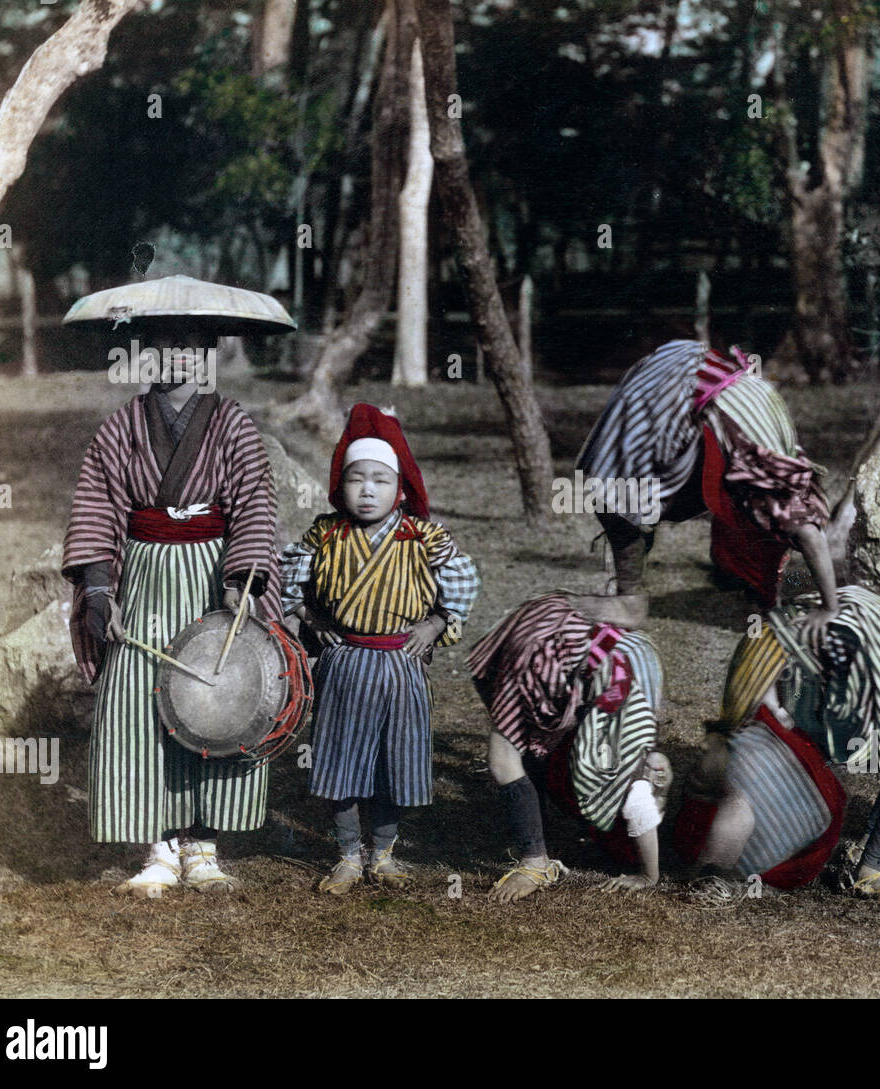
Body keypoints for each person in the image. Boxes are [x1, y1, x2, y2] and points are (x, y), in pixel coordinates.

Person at [63, 324, 280, 896]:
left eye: (190, 347)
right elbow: (97, 508)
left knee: (219, 696)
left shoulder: (233, 422)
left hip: (213, 580)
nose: (176, 359)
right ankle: (156, 845)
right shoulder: (121, 426)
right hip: (144, 578)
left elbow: (255, 504)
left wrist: (242, 580)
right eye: (161, 347)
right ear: (141, 355)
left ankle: (205, 844)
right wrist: (98, 591)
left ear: (208, 356)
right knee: (137, 701)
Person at [279, 404, 479, 893]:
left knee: (396, 761)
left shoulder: (422, 536)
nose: (367, 490)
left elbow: (463, 580)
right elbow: (289, 579)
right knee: (340, 759)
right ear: (340, 485)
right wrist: (310, 617)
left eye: (380, 480)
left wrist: (436, 622)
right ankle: (348, 854)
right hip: (345, 663)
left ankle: (384, 852)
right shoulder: (325, 533)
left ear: (400, 488)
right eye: (356, 479)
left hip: (401, 664)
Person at [675, 586, 880, 904]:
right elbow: (731, 740)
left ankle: (873, 866)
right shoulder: (774, 648)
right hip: (788, 749)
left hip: (838, 734)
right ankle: (715, 873)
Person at [574, 340, 838, 637]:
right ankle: (632, 587)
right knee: (619, 490)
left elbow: (809, 536)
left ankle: (630, 598)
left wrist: (830, 608)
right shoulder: (766, 472)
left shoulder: (768, 481)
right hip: (695, 381)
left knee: (615, 495)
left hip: (698, 375)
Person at [468, 594, 670, 903]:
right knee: (514, 750)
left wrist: (647, 876)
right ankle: (536, 855)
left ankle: (536, 861)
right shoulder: (608, 696)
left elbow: (636, 796)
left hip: (580, 648)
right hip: (559, 646)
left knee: (627, 778)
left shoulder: (621, 712)